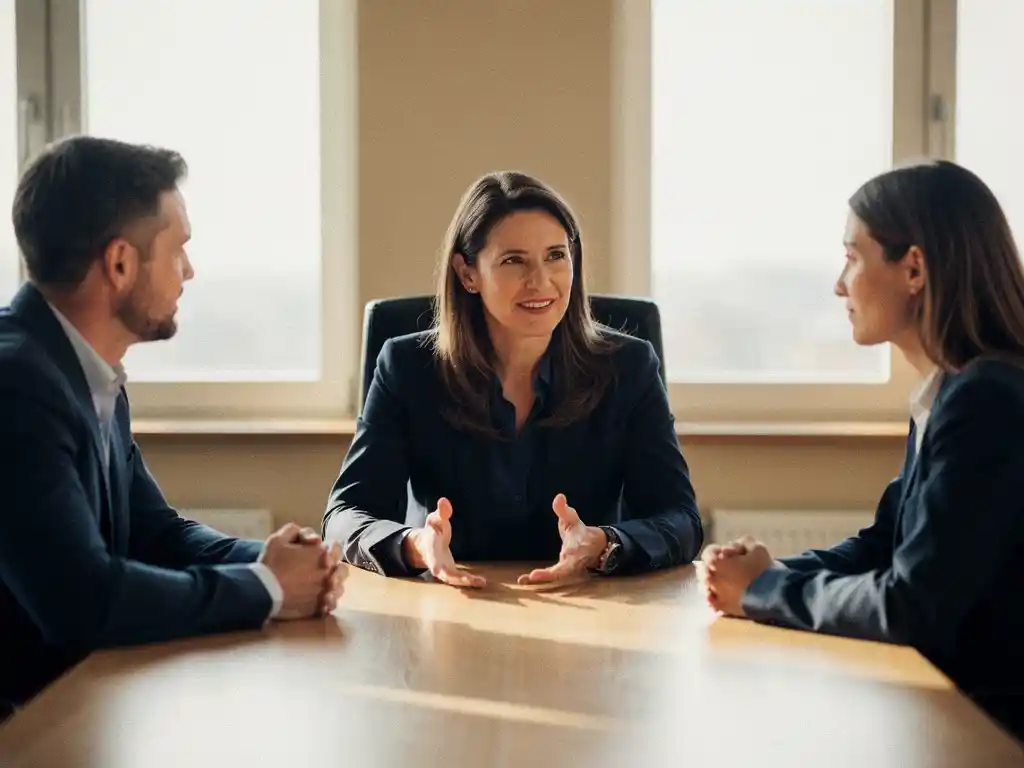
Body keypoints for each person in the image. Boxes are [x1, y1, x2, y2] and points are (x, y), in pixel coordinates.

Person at [0, 136, 345, 713]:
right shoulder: (17, 385)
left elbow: (154, 532)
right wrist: (268, 590)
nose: (190, 270)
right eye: (178, 248)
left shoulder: (88, 370)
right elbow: (83, 604)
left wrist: (274, 562)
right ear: (119, 264)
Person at [698, 159, 1024, 742]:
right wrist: (761, 573)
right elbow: (885, 545)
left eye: (852, 256)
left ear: (914, 269)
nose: (839, 284)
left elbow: (911, 605)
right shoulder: (950, 392)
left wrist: (764, 591)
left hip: (987, 728)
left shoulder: (986, 401)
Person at [323, 171, 702, 587]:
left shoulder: (629, 366)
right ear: (468, 274)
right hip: (448, 604)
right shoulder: (407, 367)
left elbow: (681, 520)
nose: (540, 281)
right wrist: (415, 545)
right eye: (513, 260)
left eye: (556, 256)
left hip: (587, 605)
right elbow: (344, 518)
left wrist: (603, 543)